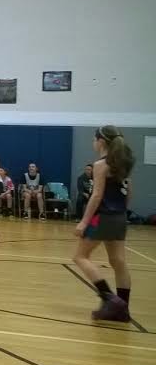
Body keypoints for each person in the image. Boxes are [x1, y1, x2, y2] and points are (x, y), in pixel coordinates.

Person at [72, 125, 134, 322]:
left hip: (103, 216)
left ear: (101, 141)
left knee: (80, 257)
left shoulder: (101, 164)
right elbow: (129, 193)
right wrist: (120, 212)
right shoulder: (122, 163)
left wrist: (84, 221)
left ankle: (111, 300)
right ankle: (122, 309)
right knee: (118, 261)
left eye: (94, 139)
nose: (93, 142)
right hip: (120, 216)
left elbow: (97, 195)